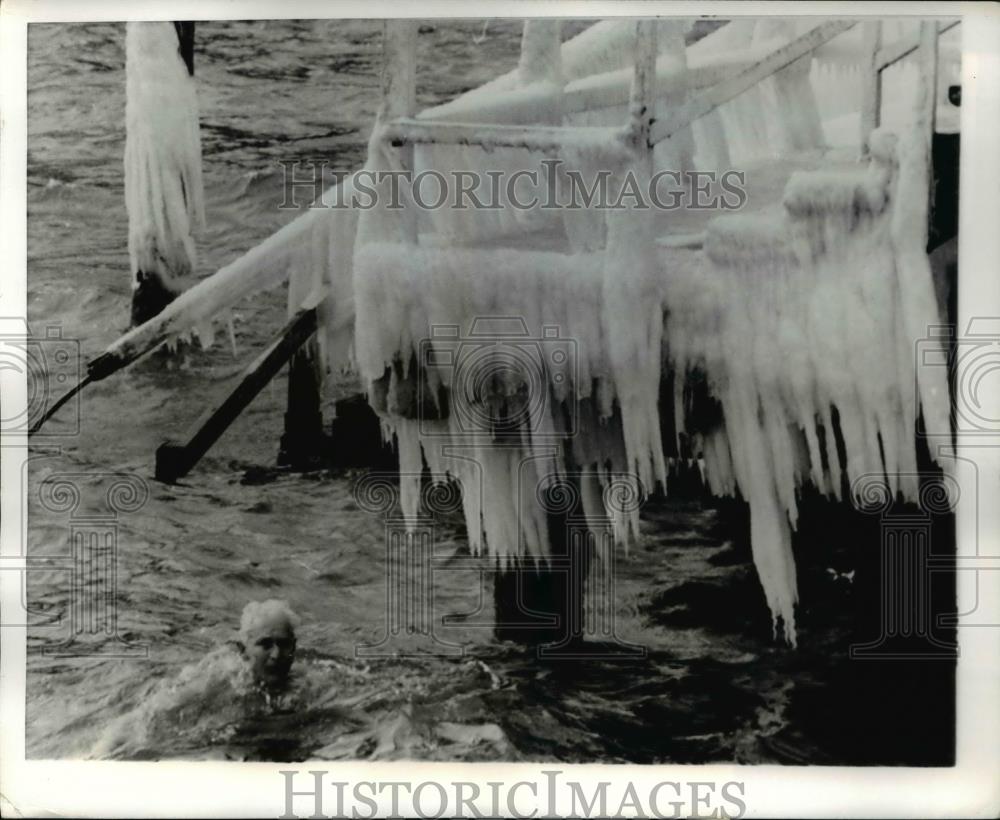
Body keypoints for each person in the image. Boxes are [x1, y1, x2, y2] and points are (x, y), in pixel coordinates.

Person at [235, 599, 299, 694]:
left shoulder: (309, 687)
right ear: (243, 649)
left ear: (293, 647)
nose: (276, 655)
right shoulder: (222, 689)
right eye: (266, 644)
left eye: (284, 644)